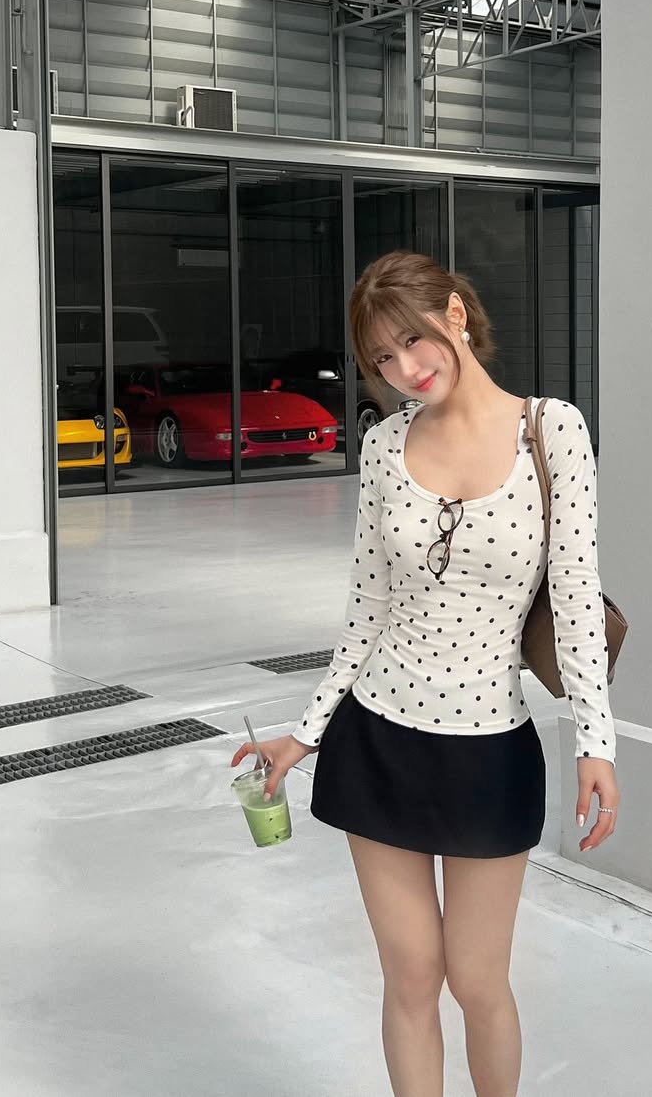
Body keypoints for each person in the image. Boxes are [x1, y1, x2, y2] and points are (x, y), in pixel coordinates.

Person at [232, 251, 619, 1097]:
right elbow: (366, 610)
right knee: (410, 976)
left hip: (490, 749)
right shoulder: (382, 445)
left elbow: (577, 597)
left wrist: (597, 742)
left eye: (412, 339)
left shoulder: (551, 430)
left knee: (478, 982)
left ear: (455, 314)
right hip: (378, 741)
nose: (406, 368)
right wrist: (306, 733)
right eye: (383, 358)